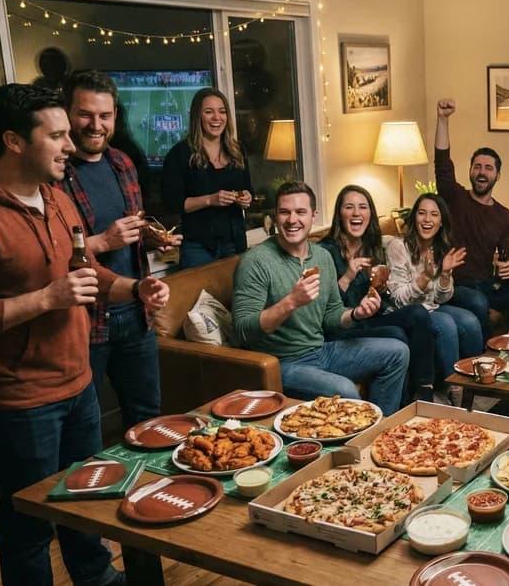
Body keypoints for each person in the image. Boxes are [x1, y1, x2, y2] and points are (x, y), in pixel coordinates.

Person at [0, 83, 170, 586]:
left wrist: (135, 288)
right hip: (16, 402)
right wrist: (45, 299)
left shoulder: (57, 199)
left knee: (86, 501)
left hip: (77, 383)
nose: (70, 145)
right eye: (57, 135)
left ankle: (97, 578)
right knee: (29, 523)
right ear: (14, 141)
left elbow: (83, 275)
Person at [55, 70, 182, 429]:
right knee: (84, 428)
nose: (96, 125)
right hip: (85, 321)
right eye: (85, 114)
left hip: (136, 313)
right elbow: (54, 253)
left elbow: (132, 228)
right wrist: (103, 242)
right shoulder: (54, 174)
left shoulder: (122, 164)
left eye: (105, 116)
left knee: (147, 420)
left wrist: (154, 238)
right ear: (67, 112)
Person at [232, 182, 408, 415]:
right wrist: (291, 302)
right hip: (283, 362)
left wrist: (356, 314)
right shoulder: (256, 261)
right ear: (275, 216)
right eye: (285, 212)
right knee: (345, 390)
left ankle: (378, 434)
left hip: (322, 351)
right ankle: (358, 443)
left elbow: (332, 315)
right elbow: (243, 329)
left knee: (397, 352)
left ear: (313, 216)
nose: (292, 220)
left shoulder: (322, 257)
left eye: (300, 212)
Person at [318, 185, 439, 402]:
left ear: (370, 214)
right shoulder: (325, 251)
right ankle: (401, 405)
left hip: (368, 318)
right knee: (397, 335)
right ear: (339, 215)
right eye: (349, 207)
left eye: (363, 207)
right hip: (342, 325)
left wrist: (382, 289)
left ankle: (423, 392)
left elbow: (378, 299)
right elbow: (323, 309)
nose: (356, 213)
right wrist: (347, 276)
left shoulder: (371, 246)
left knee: (418, 314)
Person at [433, 98, 509, 335]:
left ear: (497, 176)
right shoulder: (456, 198)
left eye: (488, 168)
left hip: (487, 284)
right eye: (477, 167)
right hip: (456, 284)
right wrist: (443, 119)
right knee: (478, 303)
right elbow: (442, 163)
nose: (482, 172)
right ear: (470, 171)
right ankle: (487, 354)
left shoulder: (503, 215)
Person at [386, 193, 484, 401]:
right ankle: (455, 389)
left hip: (432, 306)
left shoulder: (440, 247)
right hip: (409, 312)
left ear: (441, 223)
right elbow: (399, 299)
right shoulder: (398, 247)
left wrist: (446, 274)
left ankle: (475, 385)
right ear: (414, 218)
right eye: (421, 213)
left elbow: (442, 297)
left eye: (434, 214)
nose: (427, 219)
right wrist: (425, 277)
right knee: (447, 323)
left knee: (470, 321)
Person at [162, 87, 253, 269]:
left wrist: (247, 198)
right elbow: (173, 203)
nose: (217, 118)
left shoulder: (237, 151)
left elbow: (249, 189)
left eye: (222, 112)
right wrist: (210, 200)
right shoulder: (180, 154)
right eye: (209, 112)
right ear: (198, 116)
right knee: (200, 297)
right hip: (198, 246)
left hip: (235, 242)